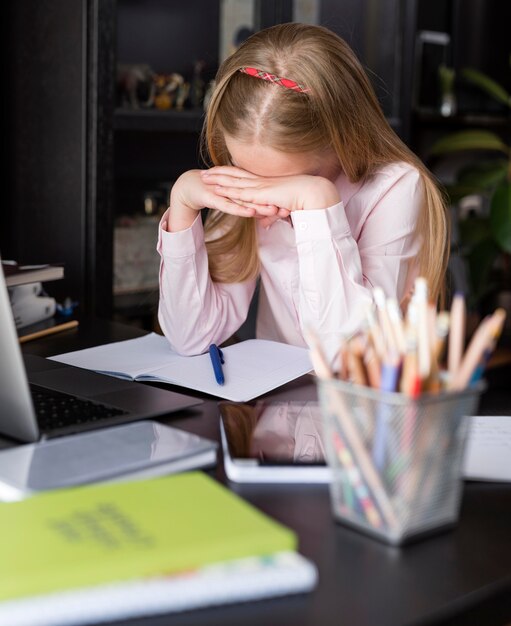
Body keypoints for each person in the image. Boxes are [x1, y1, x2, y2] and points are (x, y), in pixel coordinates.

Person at [157, 22, 449, 361]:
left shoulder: (395, 189)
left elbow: (346, 356)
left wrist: (316, 203)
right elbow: (191, 337)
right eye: (247, 174)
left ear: (344, 143)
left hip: (365, 409)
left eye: (283, 183)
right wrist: (182, 205)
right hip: (277, 407)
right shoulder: (247, 176)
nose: (262, 194)